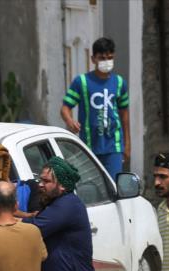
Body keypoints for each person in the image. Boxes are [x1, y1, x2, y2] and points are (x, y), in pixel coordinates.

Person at [60, 37, 130, 179]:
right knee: (91, 185)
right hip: (89, 146)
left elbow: (124, 115)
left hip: (113, 147)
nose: (106, 61)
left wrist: (127, 144)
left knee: (113, 185)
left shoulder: (119, 82)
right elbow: (65, 108)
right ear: (93, 59)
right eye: (102, 58)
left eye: (109, 58)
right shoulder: (81, 82)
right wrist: (70, 121)